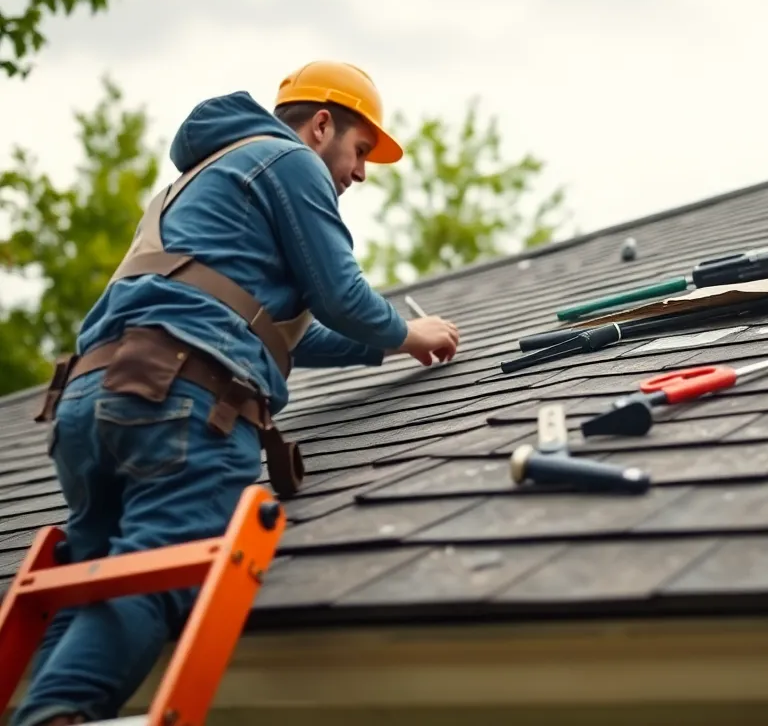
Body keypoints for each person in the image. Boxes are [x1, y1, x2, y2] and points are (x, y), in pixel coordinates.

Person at [11, 61, 460, 726]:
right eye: (361, 150)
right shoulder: (292, 163)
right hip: (181, 402)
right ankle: (55, 713)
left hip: (92, 400)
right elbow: (340, 296)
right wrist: (405, 327)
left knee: (93, 581)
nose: (361, 173)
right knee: (160, 570)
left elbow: (277, 333)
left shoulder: (196, 185)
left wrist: (389, 347)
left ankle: (38, 709)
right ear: (322, 125)